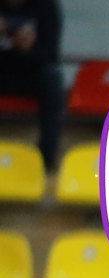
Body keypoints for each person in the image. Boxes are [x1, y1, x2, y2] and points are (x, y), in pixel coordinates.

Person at [0, 2, 61, 175]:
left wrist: (28, 48)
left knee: (52, 78)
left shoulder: (46, 7)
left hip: (30, 73)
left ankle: (46, 158)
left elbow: (50, 55)